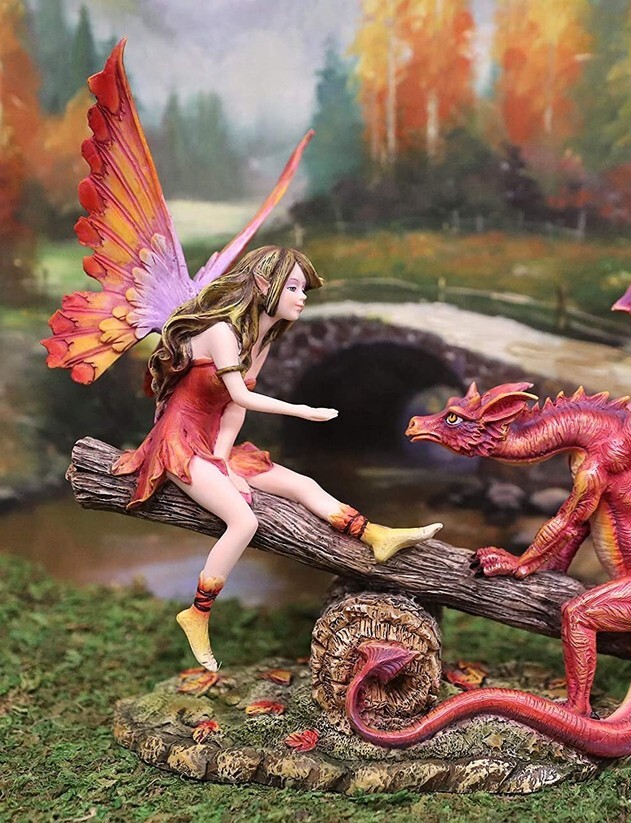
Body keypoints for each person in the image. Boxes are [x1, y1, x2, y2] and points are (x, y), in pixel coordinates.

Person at [111, 245, 441, 672]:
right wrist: (301, 411)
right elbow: (241, 394)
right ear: (264, 284)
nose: (302, 298)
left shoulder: (260, 340)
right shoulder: (222, 332)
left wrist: (224, 459)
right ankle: (197, 612)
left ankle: (376, 535)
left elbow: (234, 407)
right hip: (180, 441)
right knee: (243, 520)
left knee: (303, 484)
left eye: (304, 290)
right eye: (293, 288)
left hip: (212, 443)